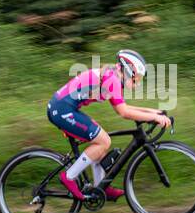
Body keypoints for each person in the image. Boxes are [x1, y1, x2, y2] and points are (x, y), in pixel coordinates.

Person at [47, 49, 170, 201]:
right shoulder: (112, 79)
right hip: (62, 110)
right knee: (103, 141)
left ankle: (101, 187)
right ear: (128, 70)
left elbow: (125, 106)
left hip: (65, 108)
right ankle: (69, 176)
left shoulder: (113, 76)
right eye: (136, 78)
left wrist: (154, 112)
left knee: (101, 140)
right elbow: (124, 112)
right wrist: (154, 117)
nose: (137, 82)